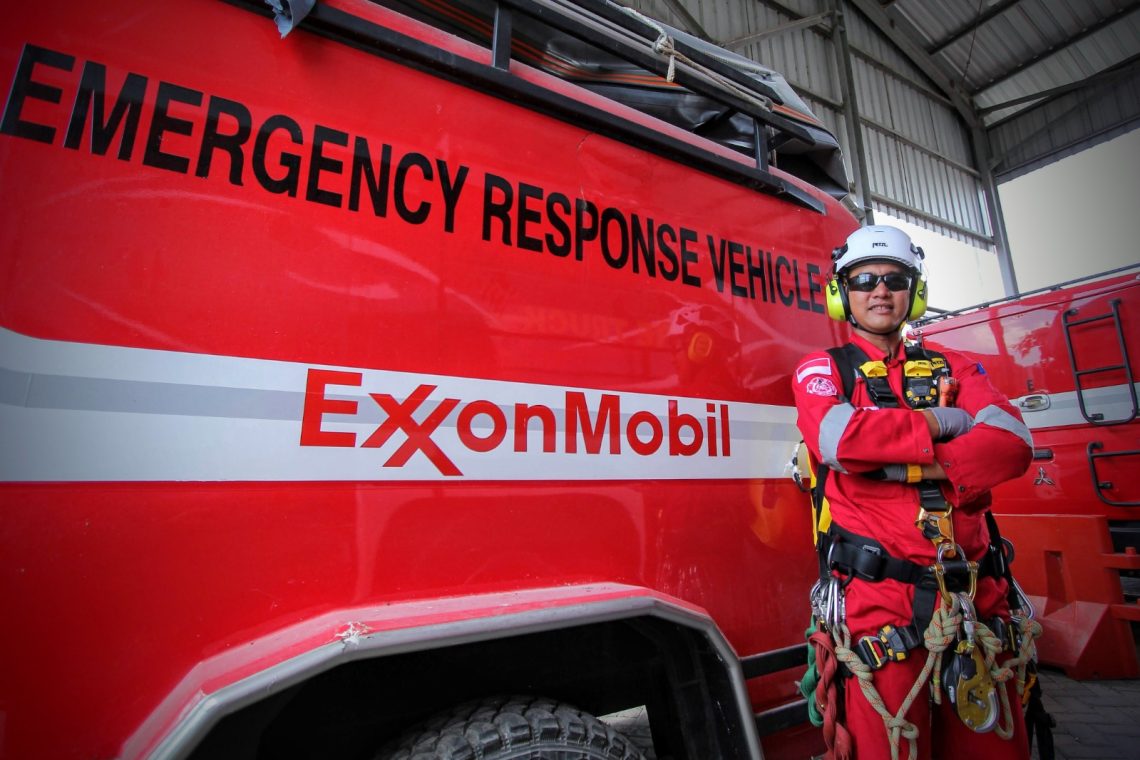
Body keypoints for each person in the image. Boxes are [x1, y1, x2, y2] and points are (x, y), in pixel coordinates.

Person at [792, 224, 1036, 760]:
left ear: (914, 291)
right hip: (879, 606)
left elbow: (1014, 443)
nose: (880, 291)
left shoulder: (955, 366)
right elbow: (837, 439)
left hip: (976, 601)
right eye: (865, 280)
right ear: (842, 294)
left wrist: (907, 465)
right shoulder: (823, 369)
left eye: (895, 279)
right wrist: (945, 423)